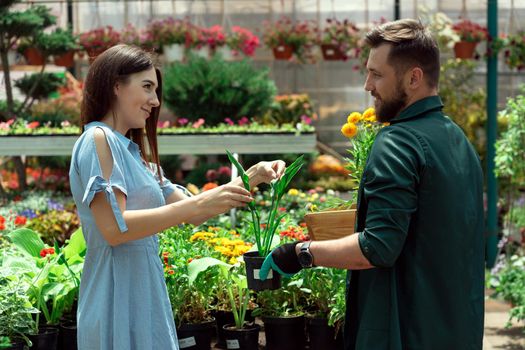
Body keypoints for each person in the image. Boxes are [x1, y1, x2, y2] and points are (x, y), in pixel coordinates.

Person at [261, 19, 485, 349]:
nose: (368, 85)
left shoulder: (398, 142)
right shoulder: (457, 139)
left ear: (413, 78)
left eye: (377, 74)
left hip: (405, 331)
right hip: (455, 329)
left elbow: (377, 248)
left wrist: (298, 253)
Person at [69, 44, 286, 350]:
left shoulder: (136, 157)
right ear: (115, 85)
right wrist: (200, 203)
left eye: (155, 90)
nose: (155, 101)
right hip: (114, 290)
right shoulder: (97, 139)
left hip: (144, 288)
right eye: (147, 87)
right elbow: (114, 228)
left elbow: (194, 213)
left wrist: (253, 176)